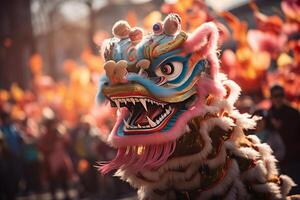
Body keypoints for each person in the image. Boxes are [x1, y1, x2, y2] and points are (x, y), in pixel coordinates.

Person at [267, 85, 300, 194]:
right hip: (277, 160)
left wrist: (282, 127)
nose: (278, 98)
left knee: (295, 190)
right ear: (271, 97)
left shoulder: (293, 112)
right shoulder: (268, 114)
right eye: (275, 96)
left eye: (281, 95)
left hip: (293, 158)